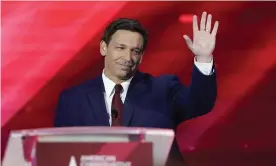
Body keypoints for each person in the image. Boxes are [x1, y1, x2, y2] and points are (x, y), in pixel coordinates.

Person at [54, 11, 219, 165]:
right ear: (104, 48)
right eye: (120, 48)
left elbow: (200, 103)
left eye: (135, 51)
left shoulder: (163, 90)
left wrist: (203, 58)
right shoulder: (73, 99)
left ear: (141, 57)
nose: (127, 58)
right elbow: (59, 155)